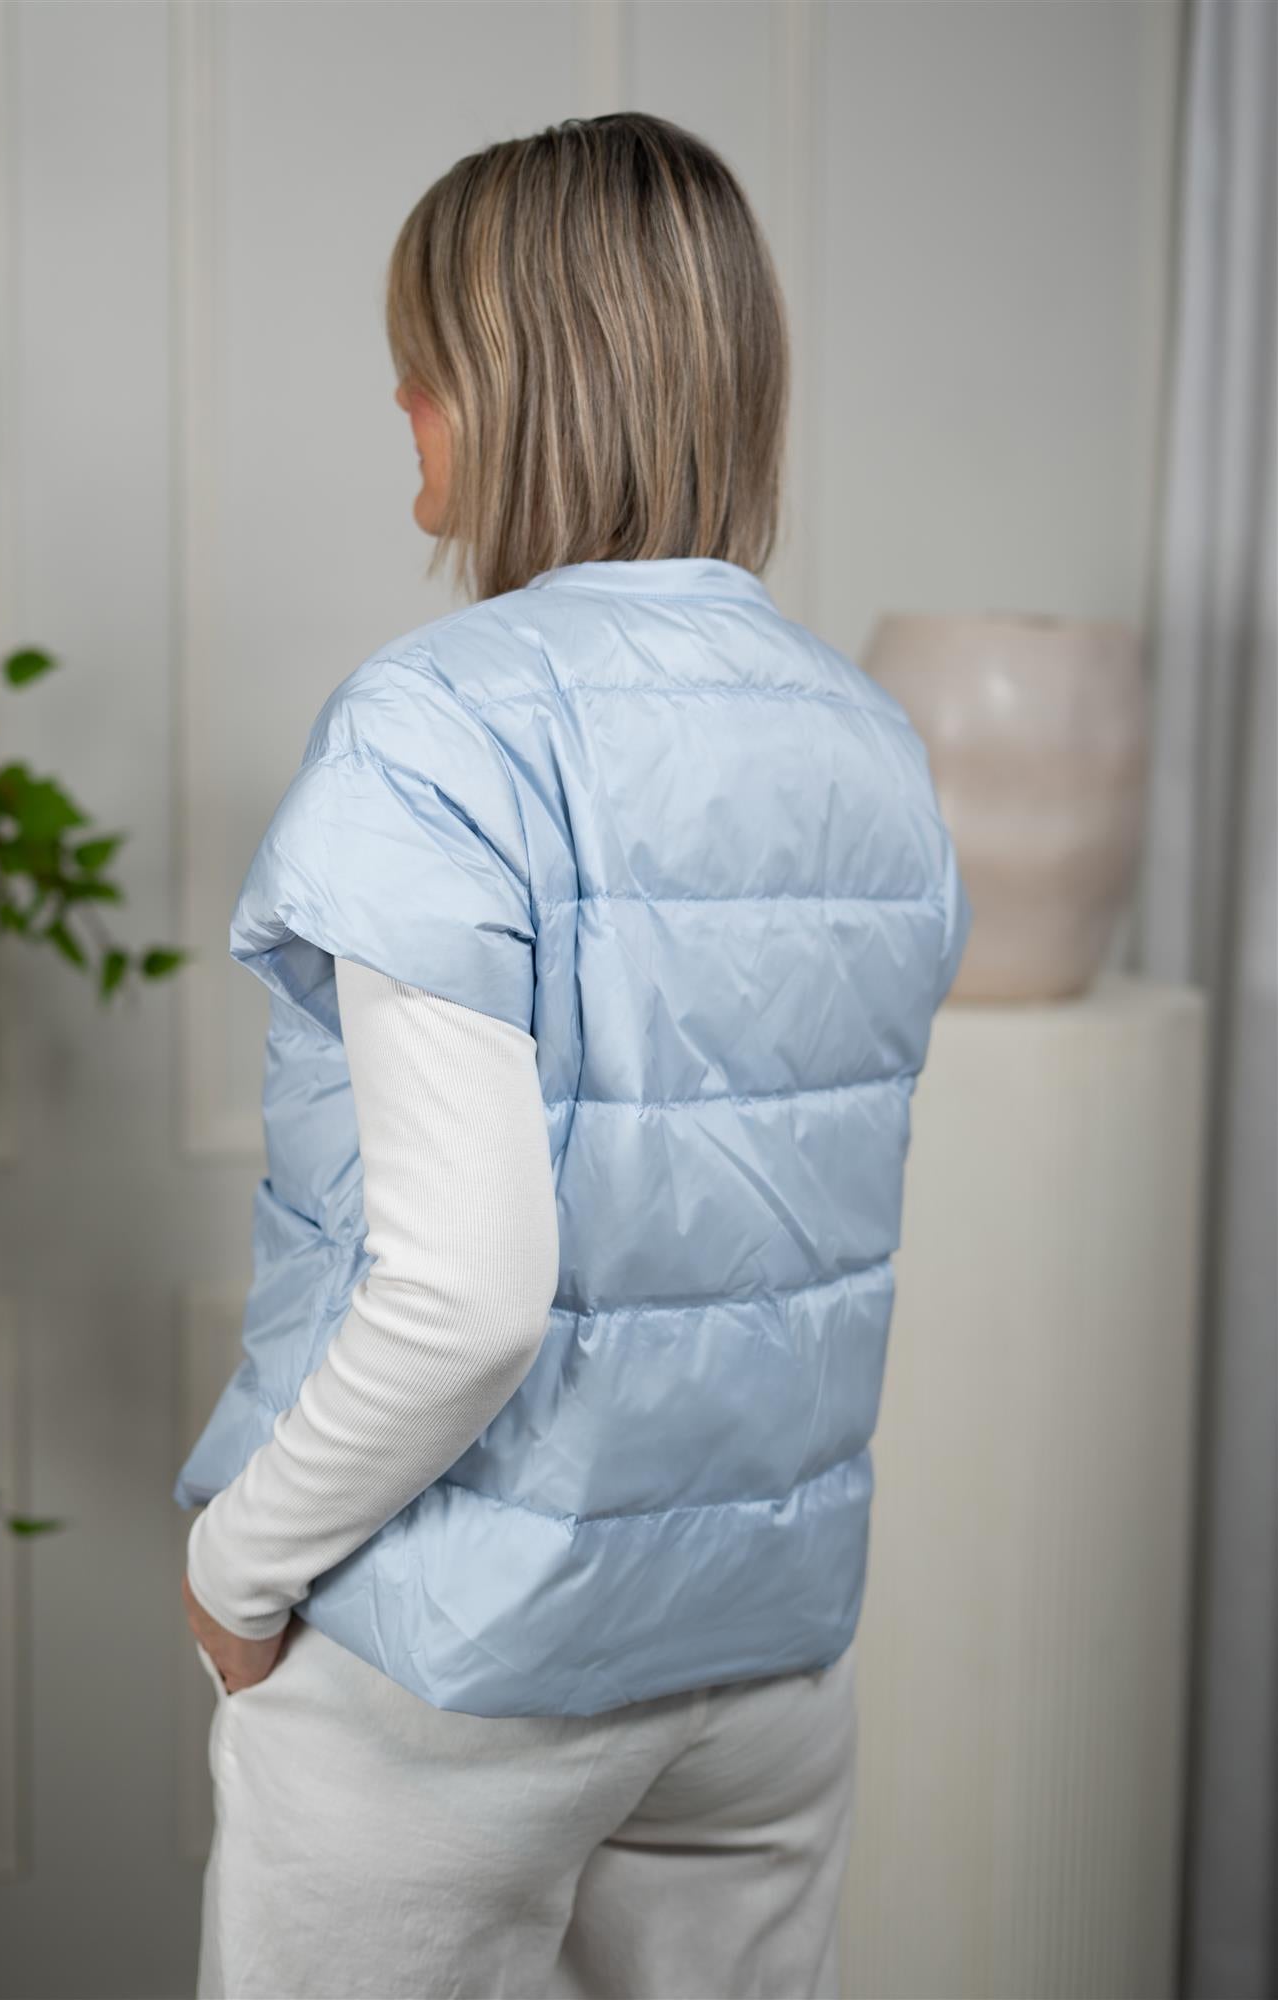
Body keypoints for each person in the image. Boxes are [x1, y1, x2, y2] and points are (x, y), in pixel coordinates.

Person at [175, 110, 970, 2000]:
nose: (401, 402)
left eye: (426, 362)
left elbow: (463, 1299)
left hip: (454, 1661)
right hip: (763, 1672)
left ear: (513, 386)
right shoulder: (868, 738)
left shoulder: (434, 729)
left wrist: (237, 1567)